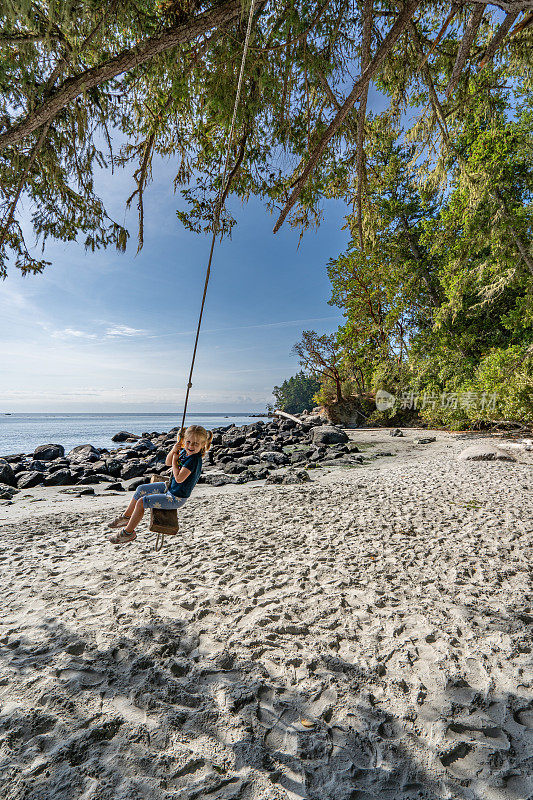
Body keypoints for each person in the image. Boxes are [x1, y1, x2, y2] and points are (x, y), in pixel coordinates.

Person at [107, 424, 213, 544]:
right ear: (184, 441)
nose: (191, 446)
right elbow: (167, 462)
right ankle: (126, 517)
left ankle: (128, 533)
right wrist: (174, 450)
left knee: (142, 502)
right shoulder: (185, 452)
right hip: (169, 487)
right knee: (141, 488)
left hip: (176, 497)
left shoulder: (194, 460)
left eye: (195, 443)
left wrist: (174, 461)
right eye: (188, 442)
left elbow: (178, 479)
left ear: (203, 445)